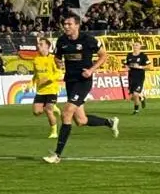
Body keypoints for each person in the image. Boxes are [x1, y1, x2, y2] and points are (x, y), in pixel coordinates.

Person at [44, 14, 118, 164]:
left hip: (83, 81)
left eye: (69, 24)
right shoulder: (61, 41)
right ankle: (109, 122)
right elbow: (57, 57)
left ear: (77, 25)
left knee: (66, 112)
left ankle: (57, 155)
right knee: (81, 120)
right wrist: (59, 63)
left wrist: (91, 70)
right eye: (65, 24)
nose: (66, 26)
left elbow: (104, 55)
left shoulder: (88, 40)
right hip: (70, 81)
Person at [30, 37, 62, 139]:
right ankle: (54, 107)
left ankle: (54, 132)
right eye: (38, 44)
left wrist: (49, 79)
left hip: (52, 89)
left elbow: (59, 73)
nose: (38, 46)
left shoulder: (53, 58)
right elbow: (36, 75)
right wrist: (30, 84)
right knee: (36, 112)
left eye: (41, 44)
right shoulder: (36, 59)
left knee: (48, 110)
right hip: (40, 91)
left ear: (47, 46)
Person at [125, 40, 150, 114]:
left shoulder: (143, 56)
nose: (135, 46)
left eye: (137, 45)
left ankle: (136, 110)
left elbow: (149, 67)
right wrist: (127, 67)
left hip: (139, 77)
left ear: (140, 46)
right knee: (133, 97)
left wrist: (140, 67)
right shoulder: (129, 55)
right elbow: (126, 64)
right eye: (134, 45)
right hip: (131, 77)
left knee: (135, 94)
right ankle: (141, 99)